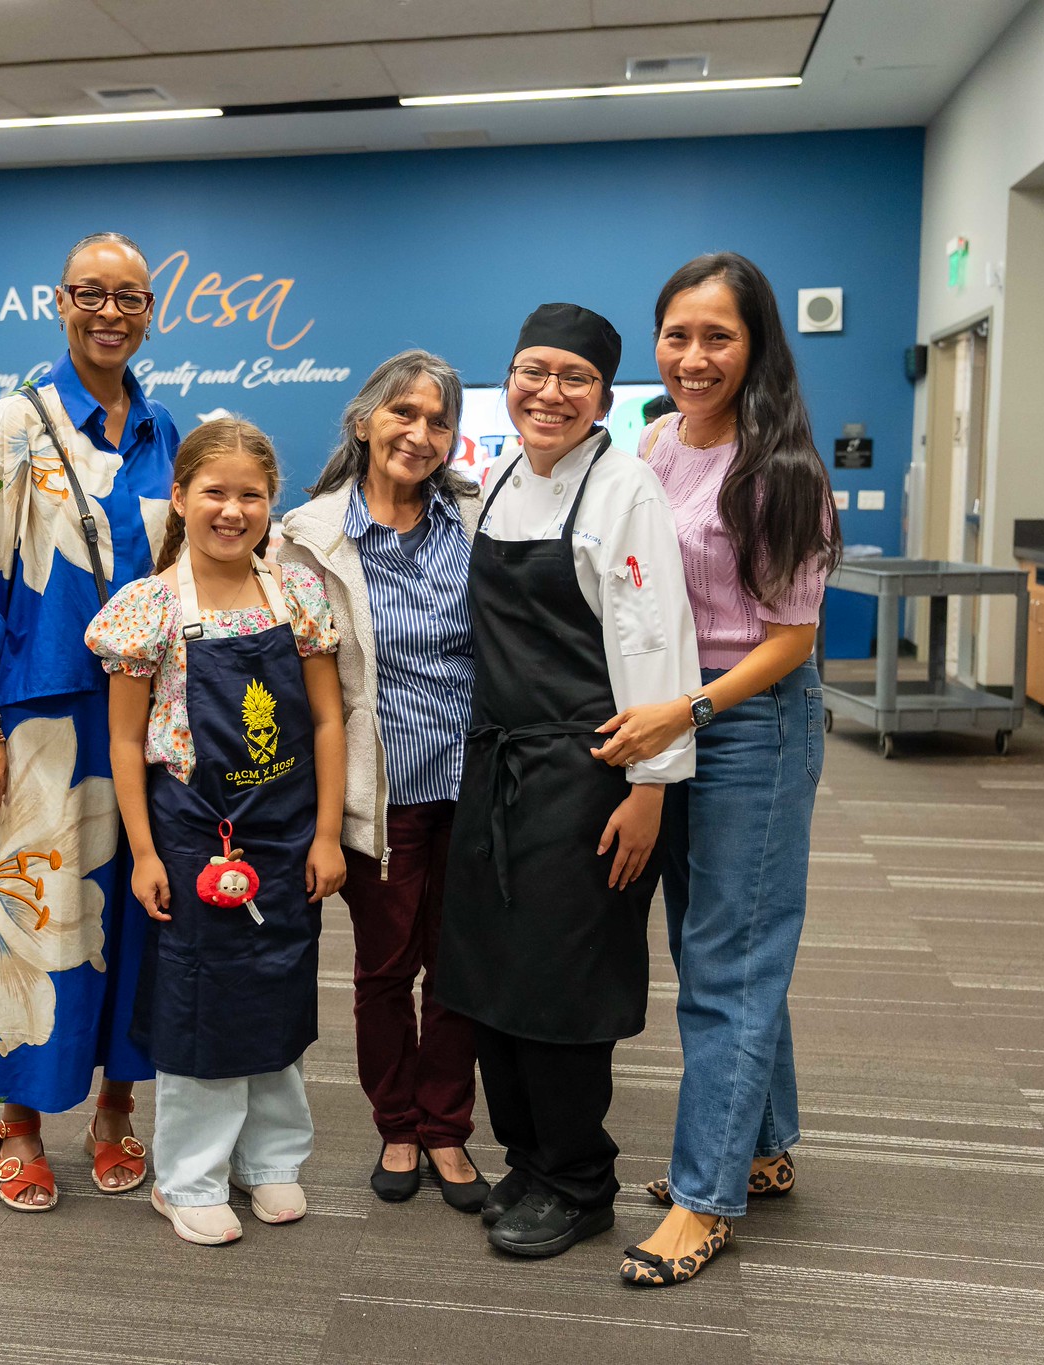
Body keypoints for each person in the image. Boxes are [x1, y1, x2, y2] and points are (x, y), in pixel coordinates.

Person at [592, 253, 840, 1288]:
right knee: (720, 949)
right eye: (677, 336)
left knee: (729, 964)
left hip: (747, 721)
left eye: (717, 338)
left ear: (755, 348)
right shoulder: (650, 443)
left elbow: (791, 636)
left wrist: (685, 709)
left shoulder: (779, 471)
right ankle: (764, 1145)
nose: (692, 358)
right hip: (672, 716)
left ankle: (704, 1200)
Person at [0, 231, 179, 1215]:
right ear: (57, 302)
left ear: (150, 310)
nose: (110, 312)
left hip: (142, 727)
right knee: (25, 921)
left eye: (130, 297)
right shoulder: (5, 428)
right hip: (30, 722)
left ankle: (115, 1109)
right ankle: (17, 1124)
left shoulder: (160, 430)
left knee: (130, 923)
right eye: (90, 294)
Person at [432, 303, 700, 1259]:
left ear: (602, 397)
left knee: (563, 982)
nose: (550, 392)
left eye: (575, 379)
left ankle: (582, 1179)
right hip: (498, 761)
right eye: (533, 371)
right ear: (507, 377)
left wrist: (650, 790)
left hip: (594, 772)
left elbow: (655, 641)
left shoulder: (624, 488)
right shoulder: (498, 478)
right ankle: (531, 1159)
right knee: (491, 973)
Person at [88, 417, 346, 1246]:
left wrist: (328, 834)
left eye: (252, 495)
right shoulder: (148, 607)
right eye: (215, 492)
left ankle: (268, 1161)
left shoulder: (297, 594)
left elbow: (330, 723)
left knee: (277, 987)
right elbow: (126, 740)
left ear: (273, 503)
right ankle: (188, 1175)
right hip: (193, 833)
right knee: (198, 998)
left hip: (285, 831)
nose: (232, 510)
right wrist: (144, 852)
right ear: (179, 497)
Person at [278, 350, 487, 1211]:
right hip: (380, 787)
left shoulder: (477, 518)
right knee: (384, 967)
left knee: (461, 967)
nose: (420, 433)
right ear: (365, 420)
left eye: (439, 421)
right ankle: (397, 1122)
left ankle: (447, 1128)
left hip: (474, 782)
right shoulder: (307, 536)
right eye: (404, 413)